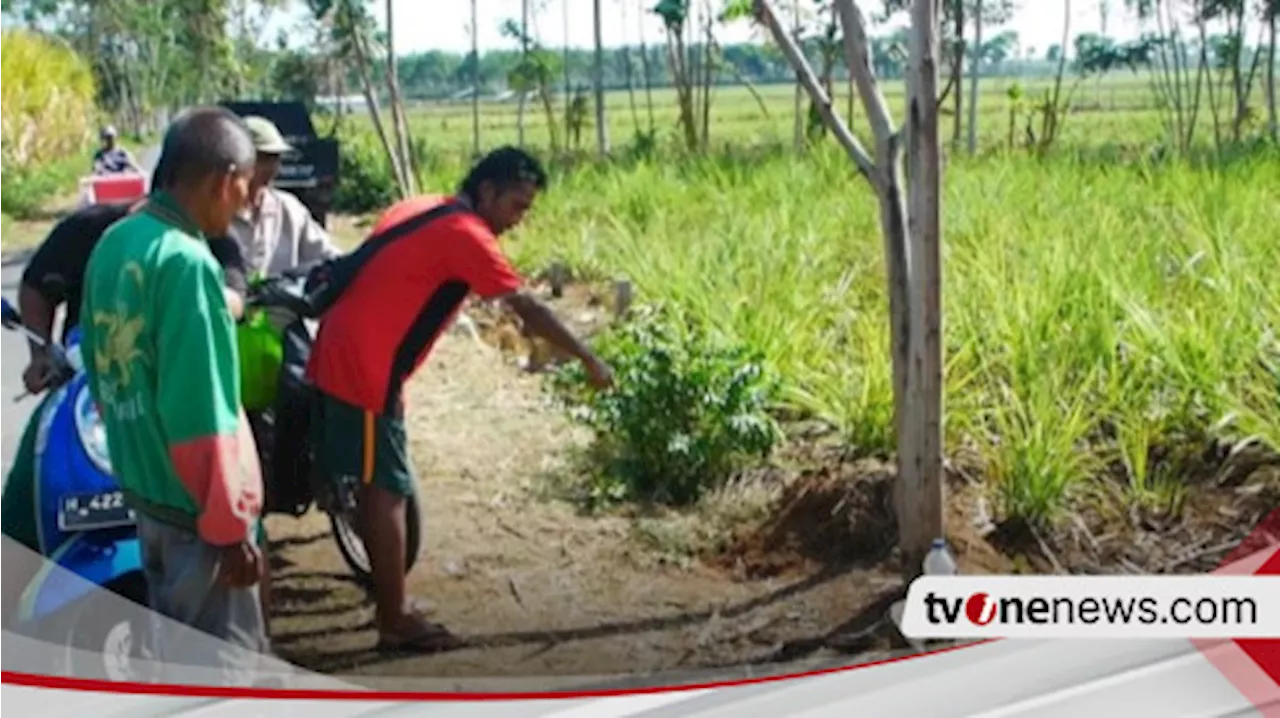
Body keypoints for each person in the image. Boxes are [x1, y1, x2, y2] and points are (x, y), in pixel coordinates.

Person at [304, 146, 615, 652]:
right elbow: (527, 310)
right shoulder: (467, 235)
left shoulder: (423, 206)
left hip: (352, 349)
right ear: (487, 192)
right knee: (386, 490)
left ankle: (388, 593)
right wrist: (587, 357)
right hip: (363, 368)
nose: (519, 220)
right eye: (516, 206)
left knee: (383, 480)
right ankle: (394, 620)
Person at [79, 106, 267, 682]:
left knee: (182, 666)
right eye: (246, 187)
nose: (247, 204)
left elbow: (98, 365)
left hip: (149, 499)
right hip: (199, 520)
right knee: (225, 678)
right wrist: (230, 529)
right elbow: (201, 414)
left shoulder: (116, 241)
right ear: (222, 179)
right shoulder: (187, 265)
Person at [228, 116, 340, 280]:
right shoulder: (216, 213)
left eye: (276, 159)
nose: (272, 168)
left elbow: (328, 256)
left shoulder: (289, 209)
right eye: (263, 158)